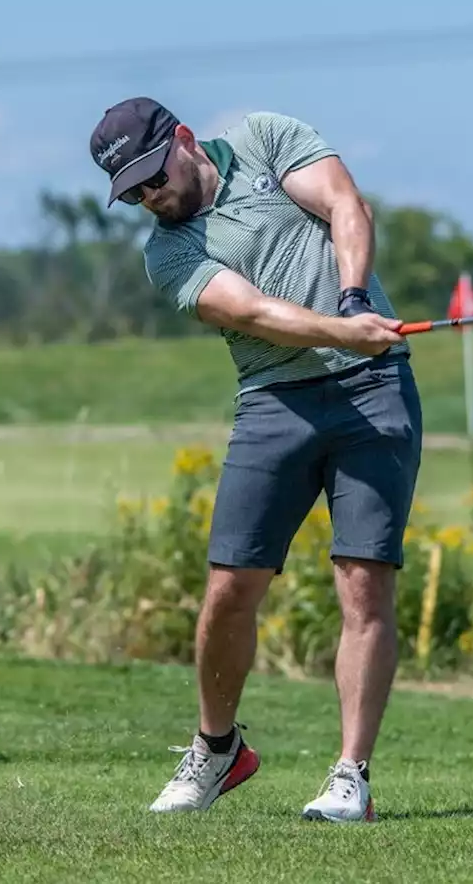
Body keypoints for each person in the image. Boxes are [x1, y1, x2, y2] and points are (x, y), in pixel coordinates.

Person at [89, 98, 422, 822]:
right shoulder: (167, 253)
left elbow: (344, 205)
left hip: (373, 391)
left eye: (155, 176)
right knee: (229, 589)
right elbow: (254, 313)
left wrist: (356, 299)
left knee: (364, 583)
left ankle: (350, 777)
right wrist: (343, 328)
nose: (152, 198)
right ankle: (217, 750)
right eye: (135, 193)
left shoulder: (265, 140)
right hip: (275, 402)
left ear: (182, 139)